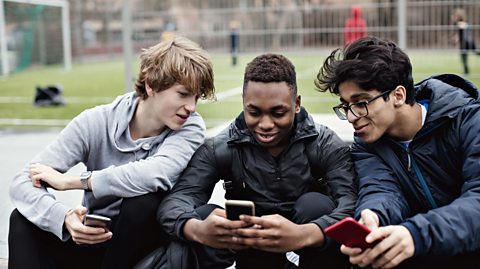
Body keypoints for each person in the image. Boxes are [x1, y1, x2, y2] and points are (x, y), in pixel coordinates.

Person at [8, 35, 215, 269]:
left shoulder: (191, 127)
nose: (192, 107)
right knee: (22, 220)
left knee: (143, 202)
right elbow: (22, 182)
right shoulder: (96, 121)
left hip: (145, 252)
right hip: (93, 239)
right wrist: (64, 218)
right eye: (183, 94)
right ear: (152, 85)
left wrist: (75, 182)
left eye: (196, 97)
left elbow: (155, 174)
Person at [158, 53, 356, 269]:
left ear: (296, 104)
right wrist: (196, 228)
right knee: (203, 216)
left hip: (310, 247)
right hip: (251, 252)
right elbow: (176, 201)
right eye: (254, 112)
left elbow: (352, 202)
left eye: (278, 112)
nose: (266, 124)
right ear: (244, 103)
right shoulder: (221, 148)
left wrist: (305, 234)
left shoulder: (325, 144)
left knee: (315, 205)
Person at [315, 36, 480, 268]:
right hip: (422, 250)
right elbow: (382, 189)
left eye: (361, 103)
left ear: (398, 95)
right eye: (345, 106)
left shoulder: (469, 120)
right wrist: (373, 215)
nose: (351, 117)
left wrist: (416, 234)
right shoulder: (367, 141)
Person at [452, 8, 478, 76]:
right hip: (467, 41)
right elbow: (460, 34)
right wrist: (456, 38)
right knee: (465, 57)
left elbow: (465, 29)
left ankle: (466, 72)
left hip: (466, 42)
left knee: (465, 56)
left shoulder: (462, 23)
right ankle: (466, 72)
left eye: (454, 15)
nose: (452, 17)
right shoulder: (459, 24)